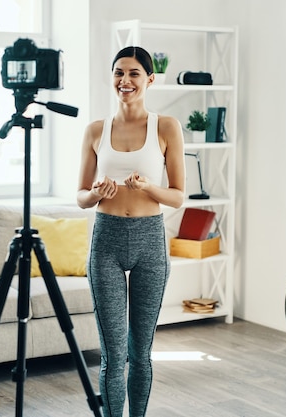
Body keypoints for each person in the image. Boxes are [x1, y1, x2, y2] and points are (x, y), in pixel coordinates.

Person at [77, 46, 185, 417]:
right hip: (105, 240)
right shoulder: (95, 130)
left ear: (150, 79)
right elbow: (80, 197)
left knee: (140, 353)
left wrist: (147, 188)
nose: (125, 81)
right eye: (119, 73)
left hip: (150, 242)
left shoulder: (167, 127)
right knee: (113, 353)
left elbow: (177, 196)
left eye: (134, 73)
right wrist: (96, 193)